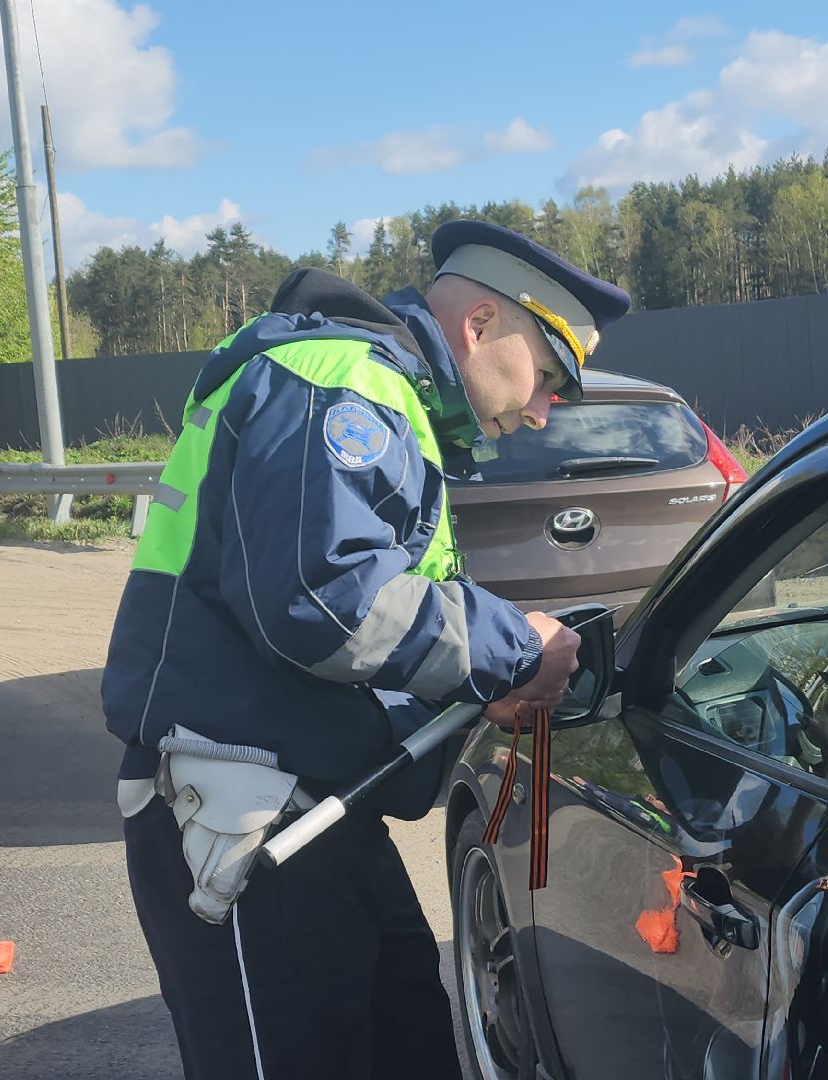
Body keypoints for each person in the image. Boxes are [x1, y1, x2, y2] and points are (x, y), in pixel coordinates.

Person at [103, 220, 629, 1080]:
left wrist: (474, 687)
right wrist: (511, 648)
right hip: (245, 810)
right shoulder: (343, 382)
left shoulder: (385, 396)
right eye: (548, 376)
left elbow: (362, 625)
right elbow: (322, 598)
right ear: (481, 325)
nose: (543, 411)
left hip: (309, 804)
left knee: (407, 1039)